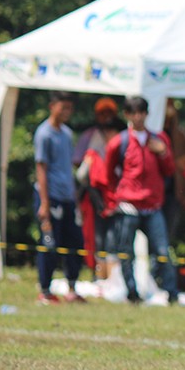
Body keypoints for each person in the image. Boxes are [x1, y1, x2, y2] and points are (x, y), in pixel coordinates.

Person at [106, 96, 180, 305]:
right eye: (133, 113)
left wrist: (163, 152)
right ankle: (132, 293)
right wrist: (114, 199)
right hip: (128, 205)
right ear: (127, 115)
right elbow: (108, 173)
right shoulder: (118, 142)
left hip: (153, 206)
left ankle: (172, 293)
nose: (138, 117)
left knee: (162, 251)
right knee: (126, 252)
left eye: (141, 112)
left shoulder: (160, 139)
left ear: (147, 114)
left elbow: (170, 170)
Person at [33, 91, 86, 305]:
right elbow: (41, 169)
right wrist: (44, 202)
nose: (67, 112)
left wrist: (75, 199)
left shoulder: (66, 133)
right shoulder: (43, 134)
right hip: (50, 197)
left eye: (70, 108)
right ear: (52, 106)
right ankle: (45, 290)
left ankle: (71, 287)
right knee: (49, 243)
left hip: (67, 198)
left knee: (75, 242)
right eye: (63, 108)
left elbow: (67, 169)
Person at [76, 118, 122, 280]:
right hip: (97, 202)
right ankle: (101, 277)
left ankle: (111, 278)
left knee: (111, 242)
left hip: (116, 203)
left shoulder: (120, 151)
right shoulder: (94, 154)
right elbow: (82, 175)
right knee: (99, 240)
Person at [163, 99, 185, 245]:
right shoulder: (152, 132)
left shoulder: (181, 135)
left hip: (174, 192)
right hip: (152, 192)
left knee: (167, 233)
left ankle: (162, 266)